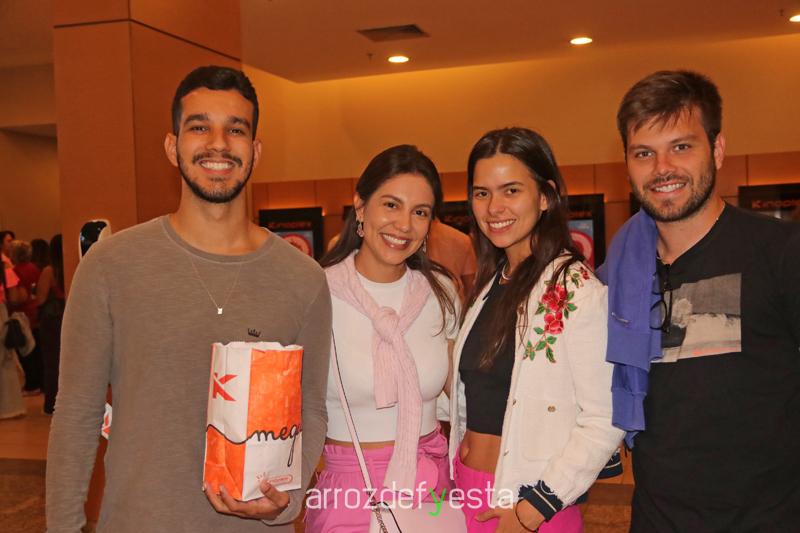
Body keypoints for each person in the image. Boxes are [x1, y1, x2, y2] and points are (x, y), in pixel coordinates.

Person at [46, 66, 332, 532]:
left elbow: (312, 408)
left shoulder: (303, 279)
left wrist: (288, 499)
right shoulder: (111, 265)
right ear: (171, 145)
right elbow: (77, 411)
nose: (218, 144)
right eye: (199, 127)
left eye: (235, 129)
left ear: (255, 150)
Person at [600, 70, 800, 532]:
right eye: (644, 153)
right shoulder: (617, 276)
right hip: (655, 519)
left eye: (681, 147)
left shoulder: (780, 252)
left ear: (718, 149)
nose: (662, 168)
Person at [448, 127, 623, 533]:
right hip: (467, 492)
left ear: (545, 196)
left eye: (511, 190)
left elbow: (605, 417)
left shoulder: (575, 289)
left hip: (529, 505)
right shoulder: (492, 283)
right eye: (481, 193)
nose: (494, 207)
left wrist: (533, 510)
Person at [306, 145, 458, 531]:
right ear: (360, 207)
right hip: (350, 490)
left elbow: (461, 396)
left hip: (432, 484)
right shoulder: (316, 293)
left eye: (420, 212)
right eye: (391, 205)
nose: (404, 224)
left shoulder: (440, 292)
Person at [35, 234, 64, 415]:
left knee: (52, 362)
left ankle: (52, 403)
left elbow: (40, 298)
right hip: (68, 314)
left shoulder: (49, 271)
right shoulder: (74, 265)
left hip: (52, 320)